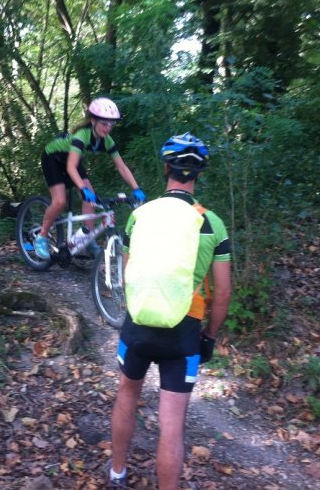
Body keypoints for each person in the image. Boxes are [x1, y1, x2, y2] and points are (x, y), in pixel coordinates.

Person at [108, 132, 232, 489]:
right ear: (198, 174)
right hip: (184, 332)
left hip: (138, 326)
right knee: (172, 424)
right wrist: (209, 336)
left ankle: (117, 474)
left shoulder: (140, 216)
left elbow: (129, 274)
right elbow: (222, 292)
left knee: (126, 395)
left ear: (166, 168)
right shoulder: (212, 224)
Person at [34, 97, 146, 259]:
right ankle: (42, 235)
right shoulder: (82, 136)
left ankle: (86, 240)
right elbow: (70, 167)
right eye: (104, 123)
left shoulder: (107, 141)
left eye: (111, 124)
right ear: (93, 120)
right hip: (53, 157)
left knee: (91, 200)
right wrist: (83, 189)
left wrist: (136, 188)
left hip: (72, 159)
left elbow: (121, 166)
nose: (108, 128)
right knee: (59, 201)